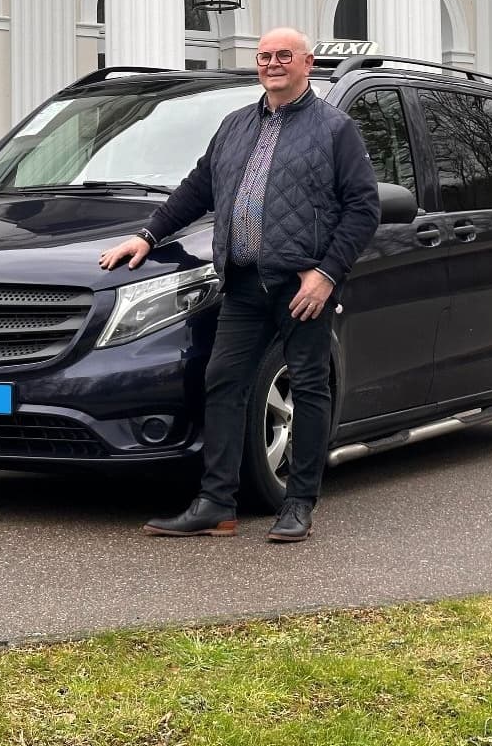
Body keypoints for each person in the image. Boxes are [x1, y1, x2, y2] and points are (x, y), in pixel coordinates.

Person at [98, 27, 379, 542]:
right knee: (223, 384)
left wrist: (326, 274)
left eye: (283, 56)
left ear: (307, 63)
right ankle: (216, 502)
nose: (272, 63)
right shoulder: (234, 126)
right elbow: (196, 189)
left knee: (311, 389)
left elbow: (364, 208)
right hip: (243, 284)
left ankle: (298, 504)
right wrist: (146, 235)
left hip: (302, 287)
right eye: (264, 56)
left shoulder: (335, 129)